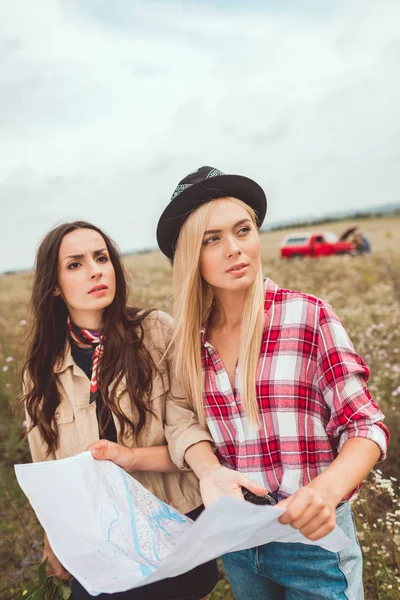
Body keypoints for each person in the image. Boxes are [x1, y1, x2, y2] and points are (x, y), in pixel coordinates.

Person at [154, 166, 390, 599]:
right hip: (240, 545)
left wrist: (325, 491)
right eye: (212, 239)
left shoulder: (309, 316)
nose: (234, 249)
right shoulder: (188, 343)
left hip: (314, 546)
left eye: (243, 230)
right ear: (191, 256)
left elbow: (365, 427)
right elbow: (183, 420)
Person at [22, 220, 226, 600]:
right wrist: (54, 536)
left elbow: (194, 435)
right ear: (53, 285)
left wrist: (131, 457)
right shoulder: (40, 369)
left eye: (101, 258)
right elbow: (47, 470)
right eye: (75, 264)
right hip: (96, 536)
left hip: (172, 524)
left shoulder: (156, 332)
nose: (96, 269)